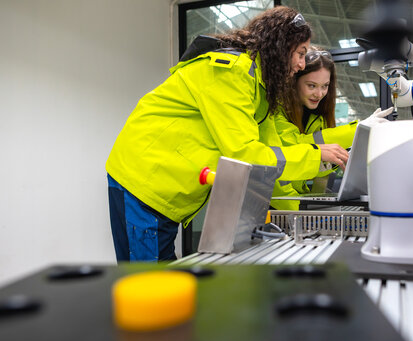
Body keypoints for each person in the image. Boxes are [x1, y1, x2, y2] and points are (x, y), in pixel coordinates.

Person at [106, 7, 350, 262]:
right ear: (280, 46)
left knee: (161, 277)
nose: (302, 64)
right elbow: (246, 154)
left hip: (166, 184)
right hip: (144, 179)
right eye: (300, 53)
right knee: (148, 284)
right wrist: (314, 155)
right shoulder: (231, 72)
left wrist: (300, 220)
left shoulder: (260, 87)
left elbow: (273, 159)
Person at [268, 47, 393, 210]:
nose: (319, 94)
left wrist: (334, 160)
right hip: (273, 204)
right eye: (311, 85)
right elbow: (293, 146)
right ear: (294, 82)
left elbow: (313, 165)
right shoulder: (275, 109)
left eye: (325, 86)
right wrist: (357, 130)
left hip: (295, 202)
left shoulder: (317, 117)